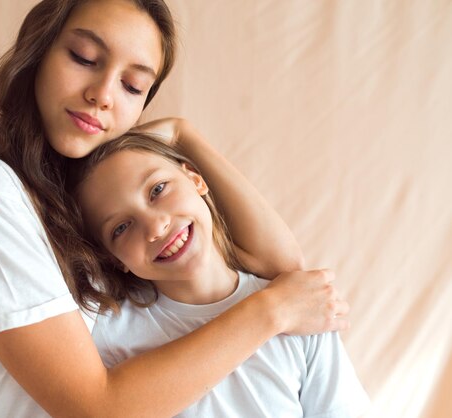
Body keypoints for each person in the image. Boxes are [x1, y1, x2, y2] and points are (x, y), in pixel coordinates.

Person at [0, 0, 350, 417]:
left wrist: (183, 134)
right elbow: (93, 408)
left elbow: (281, 269)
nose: (103, 95)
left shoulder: (79, 208)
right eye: (84, 57)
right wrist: (272, 311)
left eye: (133, 87)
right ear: (39, 51)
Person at [69, 133, 370, 417]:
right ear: (113, 258)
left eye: (158, 189)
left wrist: (180, 131)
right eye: (121, 228)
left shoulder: (301, 310)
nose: (156, 227)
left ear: (196, 179)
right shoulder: (107, 333)